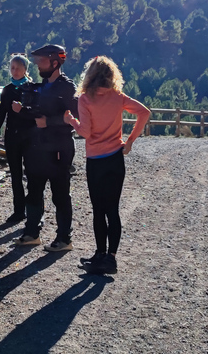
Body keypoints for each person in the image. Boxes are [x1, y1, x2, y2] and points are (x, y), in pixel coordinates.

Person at [63, 56, 150, 275]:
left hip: (96, 161)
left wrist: (71, 121)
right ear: (112, 75)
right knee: (113, 210)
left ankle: (100, 253)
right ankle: (110, 258)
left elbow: (86, 132)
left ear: (90, 75)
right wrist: (129, 141)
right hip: (115, 159)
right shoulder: (118, 97)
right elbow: (144, 113)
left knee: (98, 210)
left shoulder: (85, 99)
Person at [13, 44, 78, 252]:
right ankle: (32, 232)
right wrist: (24, 110)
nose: (37, 65)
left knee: (60, 194)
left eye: (41, 61)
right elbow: (35, 116)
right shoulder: (38, 87)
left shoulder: (67, 87)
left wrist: (50, 122)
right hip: (36, 147)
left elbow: (75, 117)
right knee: (33, 191)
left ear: (55, 62)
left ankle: (64, 238)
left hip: (59, 148)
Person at [0, 54, 36, 223]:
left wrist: (23, 109)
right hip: (12, 137)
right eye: (12, 68)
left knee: (32, 175)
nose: (14, 71)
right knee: (15, 175)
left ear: (25, 69)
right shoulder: (7, 90)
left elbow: (37, 111)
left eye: (18, 68)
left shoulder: (33, 88)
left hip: (30, 137)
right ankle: (18, 210)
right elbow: (1, 114)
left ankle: (34, 211)